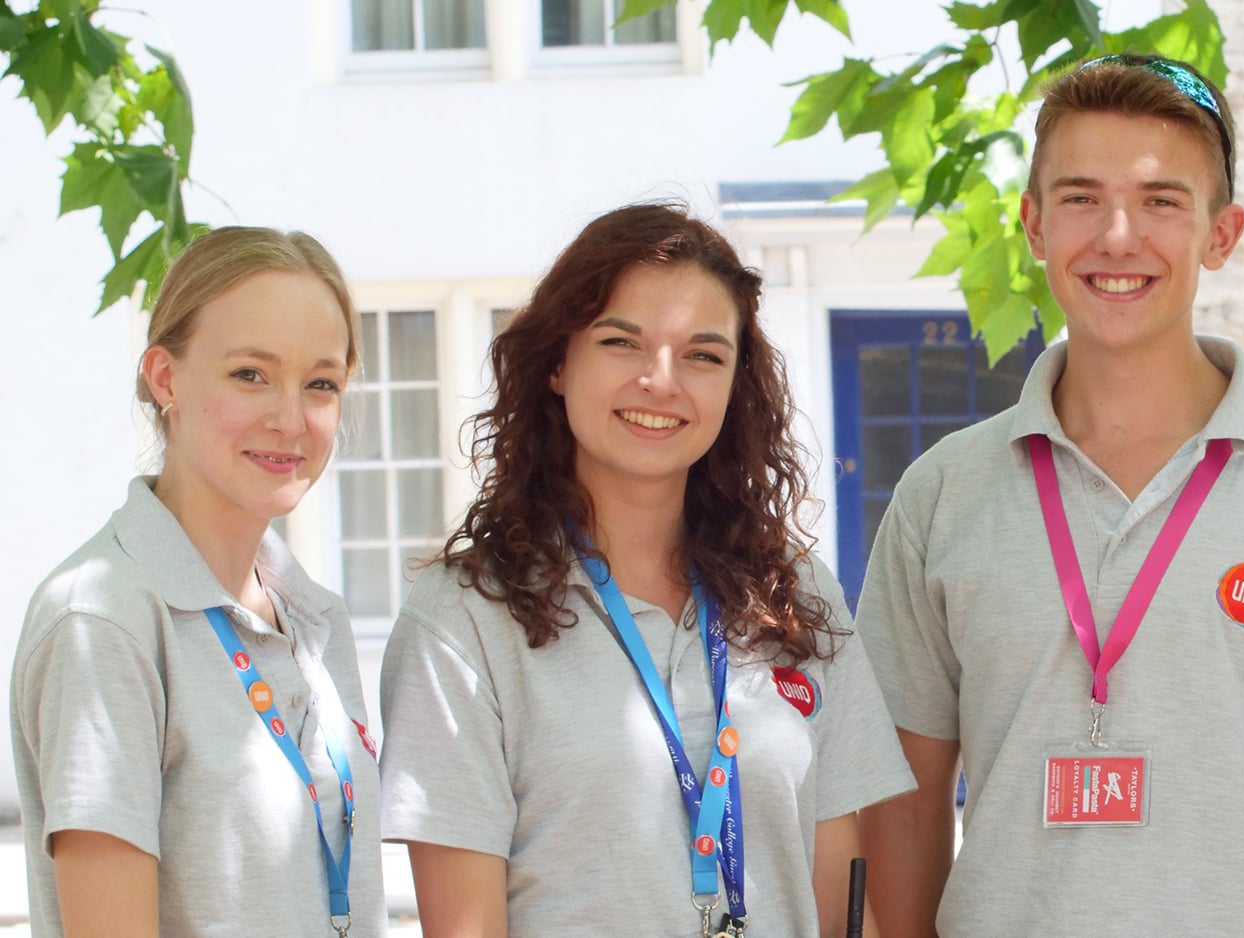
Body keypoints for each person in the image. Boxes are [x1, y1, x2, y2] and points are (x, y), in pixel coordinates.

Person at [854, 52, 1244, 937]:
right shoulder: (941, 496)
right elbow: (903, 810)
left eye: (1161, 201)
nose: (1118, 235)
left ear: (1222, 233)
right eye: (1081, 198)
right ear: (1033, 225)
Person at [378, 202, 914, 938]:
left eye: (703, 355)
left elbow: (840, 896)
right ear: (558, 364)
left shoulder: (794, 592)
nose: (661, 382)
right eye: (621, 342)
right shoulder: (463, 616)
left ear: (735, 384)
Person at [11, 227, 380, 937]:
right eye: (250, 374)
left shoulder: (316, 618)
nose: (290, 419)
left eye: (321, 384)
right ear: (165, 377)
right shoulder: (103, 621)